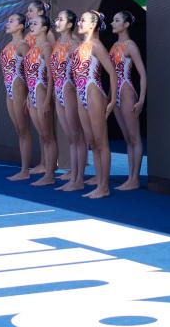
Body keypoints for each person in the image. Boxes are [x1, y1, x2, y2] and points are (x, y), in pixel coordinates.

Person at [70, 10, 117, 199]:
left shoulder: (96, 45)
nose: (79, 23)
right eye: (79, 20)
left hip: (93, 92)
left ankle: (104, 187)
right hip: (81, 94)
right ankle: (99, 183)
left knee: (100, 142)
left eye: (83, 20)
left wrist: (112, 100)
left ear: (93, 25)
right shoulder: (81, 45)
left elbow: (112, 73)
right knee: (91, 141)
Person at [50, 10, 87, 192]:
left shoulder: (74, 44)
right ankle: (73, 177)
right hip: (59, 91)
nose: (57, 21)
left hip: (70, 90)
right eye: (56, 18)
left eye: (61, 19)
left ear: (70, 24)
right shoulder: (58, 42)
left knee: (77, 136)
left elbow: (82, 72)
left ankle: (79, 179)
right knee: (71, 138)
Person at [110, 11, 147, 190]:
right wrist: (110, 98)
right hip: (116, 93)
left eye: (117, 20)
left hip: (126, 91)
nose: (112, 23)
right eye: (113, 20)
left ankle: (134, 179)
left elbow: (143, 74)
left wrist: (141, 100)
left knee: (134, 137)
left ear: (126, 24)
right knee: (127, 138)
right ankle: (130, 177)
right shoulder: (114, 45)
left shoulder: (130, 46)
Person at [24, 15, 57, 186]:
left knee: (48, 136)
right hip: (33, 93)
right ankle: (46, 171)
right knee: (43, 136)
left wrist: (47, 100)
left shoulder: (46, 47)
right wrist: (28, 95)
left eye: (35, 24)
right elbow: (29, 74)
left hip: (42, 92)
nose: (31, 25)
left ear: (44, 28)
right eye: (31, 23)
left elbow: (51, 76)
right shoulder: (33, 47)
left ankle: (50, 175)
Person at [0, 14, 32, 181]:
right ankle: (23, 169)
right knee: (19, 130)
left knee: (24, 130)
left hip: (19, 90)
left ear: (21, 26)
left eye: (11, 21)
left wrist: (30, 95)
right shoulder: (8, 45)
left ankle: (25, 170)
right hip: (9, 91)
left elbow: (31, 72)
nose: (7, 24)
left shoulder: (23, 46)